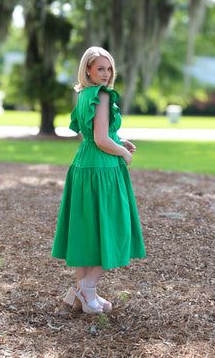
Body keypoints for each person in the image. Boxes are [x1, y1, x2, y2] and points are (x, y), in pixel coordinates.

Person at [51, 46, 146, 313]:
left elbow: (92, 136)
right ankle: (87, 290)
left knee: (87, 232)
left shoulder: (84, 95)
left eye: (109, 69)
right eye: (100, 68)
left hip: (83, 166)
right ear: (88, 70)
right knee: (115, 229)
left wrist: (119, 140)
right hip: (103, 170)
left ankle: (86, 298)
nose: (105, 74)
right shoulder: (103, 96)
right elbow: (101, 140)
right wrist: (123, 153)